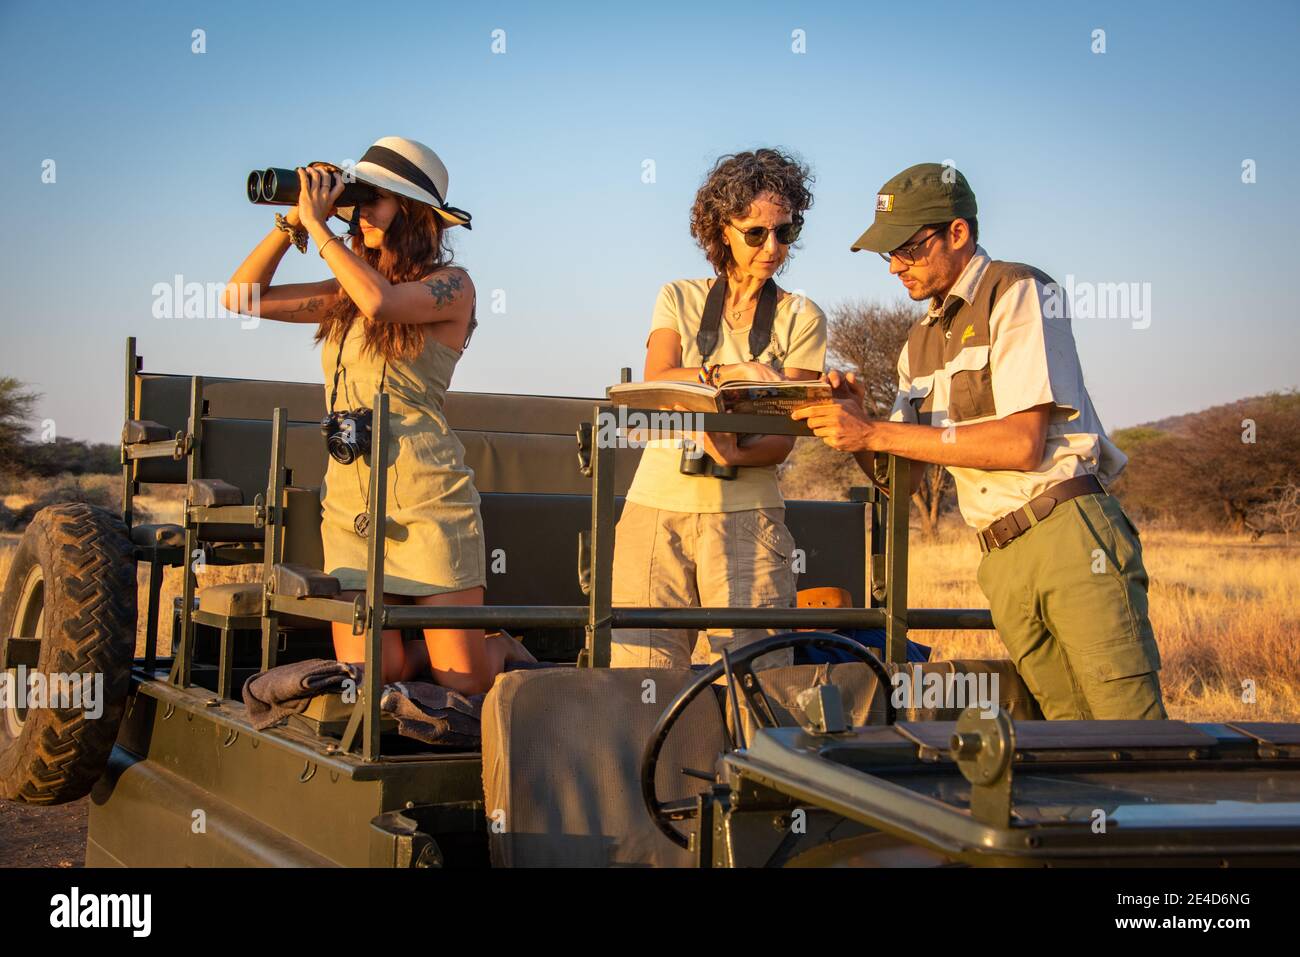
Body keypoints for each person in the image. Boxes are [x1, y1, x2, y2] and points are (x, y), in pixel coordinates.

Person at [793, 162, 1165, 720]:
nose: (895, 267)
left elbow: (1021, 444)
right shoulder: (915, 343)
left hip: (1067, 534)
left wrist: (874, 430)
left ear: (958, 232)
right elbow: (906, 477)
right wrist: (855, 428)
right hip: (998, 555)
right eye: (885, 254)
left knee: (1130, 728)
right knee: (1065, 737)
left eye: (907, 248)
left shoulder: (1019, 291)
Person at [224, 136, 530, 695]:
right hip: (349, 499)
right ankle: (418, 654)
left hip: (427, 493)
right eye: (357, 199)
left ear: (414, 215)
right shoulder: (342, 293)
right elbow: (241, 298)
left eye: (375, 199)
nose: (359, 211)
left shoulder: (451, 287)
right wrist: (290, 223)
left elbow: (382, 303)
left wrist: (319, 230)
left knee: (461, 680)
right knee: (374, 674)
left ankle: (499, 647)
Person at [610, 148, 828, 670]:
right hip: (655, 509)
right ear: (720, 230)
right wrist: (745, 374)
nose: (772, 247)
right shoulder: (679, 297)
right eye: (756, 233)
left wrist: (731, 450)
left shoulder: (802, 315)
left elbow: (782, 438)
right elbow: (659, 380)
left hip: (747, 516)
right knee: (642, 679)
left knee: (757, 683)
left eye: (786, 232)